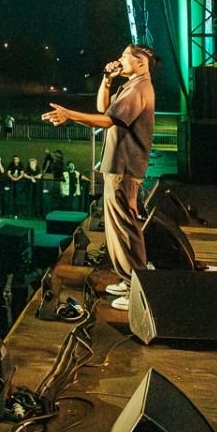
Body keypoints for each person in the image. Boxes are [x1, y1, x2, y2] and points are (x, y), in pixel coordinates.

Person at [43, 45, 158, 311]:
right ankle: (129, 281)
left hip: (124, 169)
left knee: (125, 230)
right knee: (118, 229)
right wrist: (107, 81)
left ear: (141, 63)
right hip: (119, 167)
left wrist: (70, 114)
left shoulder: (139, 89)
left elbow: (107, 121)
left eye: (125, 57)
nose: (119, 60)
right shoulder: (130, 86)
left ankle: (138, 289)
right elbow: (103, 108)